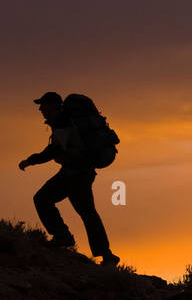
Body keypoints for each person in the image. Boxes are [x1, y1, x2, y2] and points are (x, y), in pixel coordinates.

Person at [18, 91, 119, 266]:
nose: (41, 109)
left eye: (43, 105)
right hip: (81, 171)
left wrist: (31, 160)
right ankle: (106, 255)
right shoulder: (67, 120)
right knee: (87, 213)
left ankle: (62, 236)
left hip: (74, 173)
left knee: (42, 199)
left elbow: (55, 150)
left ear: (53, 105)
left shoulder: (63, 121)